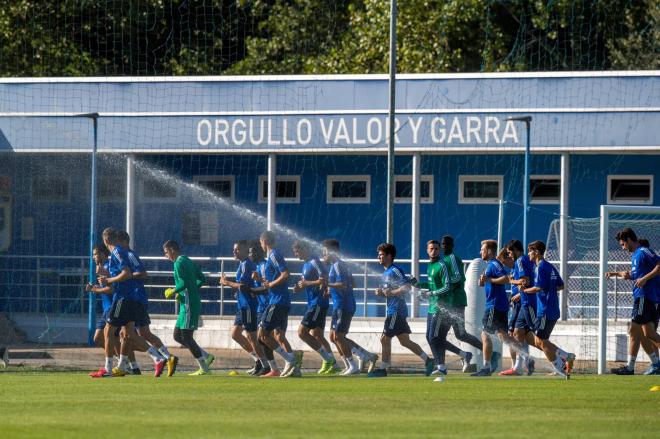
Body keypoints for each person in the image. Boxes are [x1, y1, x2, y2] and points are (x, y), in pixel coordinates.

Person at [91, 228, 163, 378]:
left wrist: (108, 280)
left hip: (123, 298)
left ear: (106, 240)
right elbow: (123, 274)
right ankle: (153, 359)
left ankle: (108, 369)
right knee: (128, 334)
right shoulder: (118, 254)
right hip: (130, 298)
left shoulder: (117, 252)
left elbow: (126, 274)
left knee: (108, 332)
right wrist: (108, 275)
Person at [117, 230, 175, 375]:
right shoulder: (121, 256)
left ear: (124, 242)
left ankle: (156, 359)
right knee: (139, 333)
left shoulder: (130, 255)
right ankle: (166, 357)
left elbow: (143, 273)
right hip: (133, 299)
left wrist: (126, 276)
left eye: (116, 243)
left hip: (136, 299)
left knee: (127, 333)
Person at [413, 240, 473, 375]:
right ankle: (463, 354)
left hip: (441, 307)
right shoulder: (430, 266)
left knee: (435, 338)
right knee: (430, 338)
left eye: (436, 249)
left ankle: (441, 367)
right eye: (431, 249)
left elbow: (447, 286)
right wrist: (417, 285)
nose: (434, 251)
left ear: (439, 250)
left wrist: (431, 293)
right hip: (432, 307)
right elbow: (431, 285)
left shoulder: (442, 265)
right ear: (427, 250)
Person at [606, 228, 660, 375]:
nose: (623, 248)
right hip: (642, 296)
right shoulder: (635, 255)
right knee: (649, 334)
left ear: (629, 240)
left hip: (644, 296)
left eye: (623, 244)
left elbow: (658, 265)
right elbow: (635, 275)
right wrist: (616, 274)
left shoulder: (643, 251)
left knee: (633, 331)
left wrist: (644, 279)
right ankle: (656, 364)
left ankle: (630, 367)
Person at [472, 240, 528, 377]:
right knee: (504, 336)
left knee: (485, 335)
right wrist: (483, 281)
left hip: (494, 305)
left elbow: (504, 278)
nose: (480, 252)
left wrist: (489, 280)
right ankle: (526, 358)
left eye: (482, 249)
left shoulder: (494, 264)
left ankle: (485, 367)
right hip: (499, 305)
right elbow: (489, 282)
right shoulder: (491, 265)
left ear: (489, 251)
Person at [376, 243, 433, 375]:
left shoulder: (395, 270)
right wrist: (381, 293)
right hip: (395, 310)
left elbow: (406, 287)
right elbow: (389, 292)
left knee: (384, 339)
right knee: (404, 341)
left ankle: (383, 369)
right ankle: (429, 361)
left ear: (389, 256)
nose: (378, 257)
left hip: (396, 311)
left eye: (381, 255)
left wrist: (391, 293)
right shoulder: (385, 273)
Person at [520, 240, 576, 377]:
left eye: (530, 251)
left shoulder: (540, 267)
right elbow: (561, 285)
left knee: (540, 341)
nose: (528, 254)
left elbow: (538, 287)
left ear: (537, 252)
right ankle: (560, 367)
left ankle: (567, 356)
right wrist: (549, 290)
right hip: (552, 309)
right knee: (541, 341)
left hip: (544, 310)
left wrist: (524, 291)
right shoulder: (550, 266)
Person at [323, 239, 377, 375]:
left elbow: (344, 284)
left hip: (344, 305)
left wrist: (328, 285)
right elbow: (352, 284)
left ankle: (354, 365)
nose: (323, 255)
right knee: (333, 337)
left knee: (339, 336)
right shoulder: (338, 265)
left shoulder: (338, 266)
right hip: (339, 304)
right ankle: (357, 360)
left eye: (325, 252)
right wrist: (331, 291)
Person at [257, 231, 303, 378]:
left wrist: (271, 283)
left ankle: (290, 359)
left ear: (264, 241)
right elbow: (276, 278)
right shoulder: (272, 256)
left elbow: (285, 274)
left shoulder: (273, 255)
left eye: (260, 243)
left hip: (278, 301)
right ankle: (294, 369)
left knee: (262, 334)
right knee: (278, 335)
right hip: (278, 300)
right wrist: (267, 282)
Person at [163, 239, 209, 376]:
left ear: (172, 250)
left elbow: (182, 283)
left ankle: (204, 368)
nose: (166, 256)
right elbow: (202, 278)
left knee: (187, 337)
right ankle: (206, 356)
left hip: (189, 303)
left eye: (166, 252)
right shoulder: (187, 260)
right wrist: (190, 289)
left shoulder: (178, 262)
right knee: (177, 335)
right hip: (188, 302)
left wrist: (173, 291)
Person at [220, 240, 266, 374]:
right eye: (234, 249)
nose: (234, 251)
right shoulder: (242, 264)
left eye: (237, 249)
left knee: (252, 336)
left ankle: (265, 364)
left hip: (249, 306)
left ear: (246, 251)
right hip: (242, 305)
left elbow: (243, 286)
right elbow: (242, 286)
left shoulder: (247, 264)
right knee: (235, 334)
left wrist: (226, 282)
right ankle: (257, 360)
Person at [291, 240, 337, 374]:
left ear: (304, 249)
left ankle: (328, 359)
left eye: (297, 251)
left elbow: (324, 280)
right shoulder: (305, 264)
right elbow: (307, 283)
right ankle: (332, 364)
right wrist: (299, 287)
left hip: (318, 303)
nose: (295, 254)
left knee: (302, 332)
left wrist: (306, 283)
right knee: (317, 335)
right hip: (314, 302)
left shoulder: (314, 261)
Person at [439, 235, 483, 371]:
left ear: (452, 245)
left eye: (447, 244)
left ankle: (486, 350)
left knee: (461, 334)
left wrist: (441, 288)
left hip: (456, 302)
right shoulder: (444, 260)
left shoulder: (452, 258)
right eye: (443, 244)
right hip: (447, 303)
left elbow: (458, 278)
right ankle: (444, 364)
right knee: (438, 336)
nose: (444, 246)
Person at [85, 245, 126, 374]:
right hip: (106, 308)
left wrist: (94, 289)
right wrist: (95, 286)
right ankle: (122, 362)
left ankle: (118, 366)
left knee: (122, 337)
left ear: (103, 254)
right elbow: (106, 286)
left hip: (113, 306)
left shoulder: (108, 266)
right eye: (93, 254)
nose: (93, 257)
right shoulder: (101, 268)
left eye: (96, 254)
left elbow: (111, 289)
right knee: (99, 338)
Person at [499, 239, 536, 376]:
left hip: (523, 303)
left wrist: (512, 282)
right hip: (518, 303)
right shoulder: (519, 263)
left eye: (510, 252)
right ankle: (522, 362)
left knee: (519, 333)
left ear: (516, 250)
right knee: (517, 334)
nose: (509, 256)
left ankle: (520, 365)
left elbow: (525, 281)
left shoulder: (521, 261)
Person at [249, 241, 274, 376]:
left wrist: (251, 290)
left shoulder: (263, 266)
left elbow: (267, 287)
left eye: (252, 252)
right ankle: (268, 366)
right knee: (261, 338)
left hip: (266, 305)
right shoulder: (258, 266)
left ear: (259, 252)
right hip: (260, 306)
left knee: (262, 337)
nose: (250, 254)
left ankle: (287, 358)